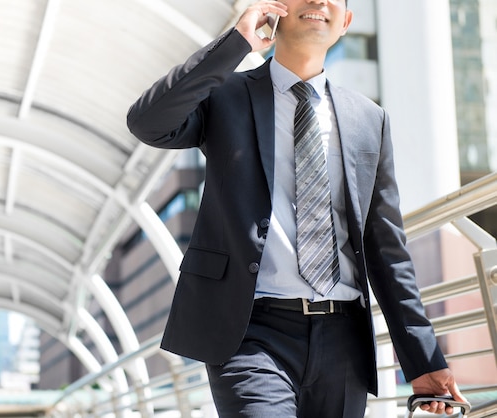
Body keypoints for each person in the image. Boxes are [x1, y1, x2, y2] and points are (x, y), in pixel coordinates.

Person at [127, 0, 467, 417]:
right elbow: (149, 122)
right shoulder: (225, 96)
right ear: (276, 8)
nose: (319, 1)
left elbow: (386, 250)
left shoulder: (368, 119)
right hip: (250, 333)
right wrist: (237, 43)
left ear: (345, 22)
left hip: (344, 338)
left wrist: (423, 359)